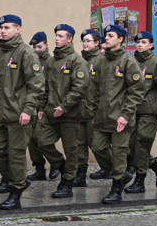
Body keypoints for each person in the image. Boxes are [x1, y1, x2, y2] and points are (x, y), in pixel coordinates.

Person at [0, 14, 45, 210]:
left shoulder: (26, 53)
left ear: (18, 29)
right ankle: (17, 179)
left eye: (7, 28)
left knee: (16, 154)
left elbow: (36, 85)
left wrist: (28, 109)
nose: (2, 31)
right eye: (0, 28)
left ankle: (15, 192)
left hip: (19, 116)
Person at [89, 24, 146, 204]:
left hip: (120, 117)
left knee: (119, 152)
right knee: (97, 147)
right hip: (102, 116)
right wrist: (92, 111)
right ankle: (120, 175)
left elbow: (137, 90)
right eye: (106, 35)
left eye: (111, 35)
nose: (107, 38)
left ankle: (116, 189)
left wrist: (126, 114)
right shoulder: (100, 61)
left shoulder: (128, 62)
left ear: (120, 39)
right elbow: (94, 88)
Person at [36, 24, 88, 199]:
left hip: (70, 115)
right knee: (42, 142)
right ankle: (63, 167)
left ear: (70, 39)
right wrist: (42, 108)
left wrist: (64, 106)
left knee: (71, 149)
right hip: (51, 113)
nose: (56, 38)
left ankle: (67, 184)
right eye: (56, 35)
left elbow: (79, 88)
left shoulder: (77, 61)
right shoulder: (50, 61)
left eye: (60, 36)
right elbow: (45, 87)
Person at [124, 31, 157, 193]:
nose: (139, 45)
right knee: (131, 145)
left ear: (151, 45)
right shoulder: (131, 62)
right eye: (137, 42)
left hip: (150, 110)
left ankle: (140, 180)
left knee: (142, 144)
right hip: (133, 110)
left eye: (143, 42)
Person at [23, 32, 58, 184]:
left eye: (40, 46)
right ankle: (39, 169)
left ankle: (56, 164)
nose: (36, 49)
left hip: (45, 106)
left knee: (41, 138)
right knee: (31, 139)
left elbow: (51, 86)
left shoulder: (50, 62)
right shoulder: (31, 59)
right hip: (32, 106)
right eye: (34, 47)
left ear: (46, 45)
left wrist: (44, 107)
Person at [76, 29, 107, 185]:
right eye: (83, 40)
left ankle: (114, 170)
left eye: (88, 40)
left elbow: (104, 89)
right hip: (80, 110)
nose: (85, 43)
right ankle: (80, 175)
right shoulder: (80, 61)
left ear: (97, 43)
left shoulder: (102, 61)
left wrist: (99, 110)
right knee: (79, 145)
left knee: (96, 145)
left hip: (94, 111)